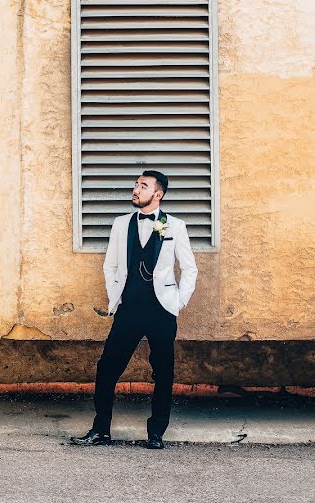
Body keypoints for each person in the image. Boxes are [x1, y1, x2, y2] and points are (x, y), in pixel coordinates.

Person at [71, 170, 197, 449]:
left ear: (158, 194)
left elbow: (189, 268)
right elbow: (111, 265)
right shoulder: (120, 224)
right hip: (128, 308)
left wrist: (179, 302)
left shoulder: (175, 226)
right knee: (107, 369)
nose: (136, 189)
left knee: (163, 372)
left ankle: (156, 434)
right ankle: (101, 430)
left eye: (143, 186)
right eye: (136, 185)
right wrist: (114, 295)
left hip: (162, 309)